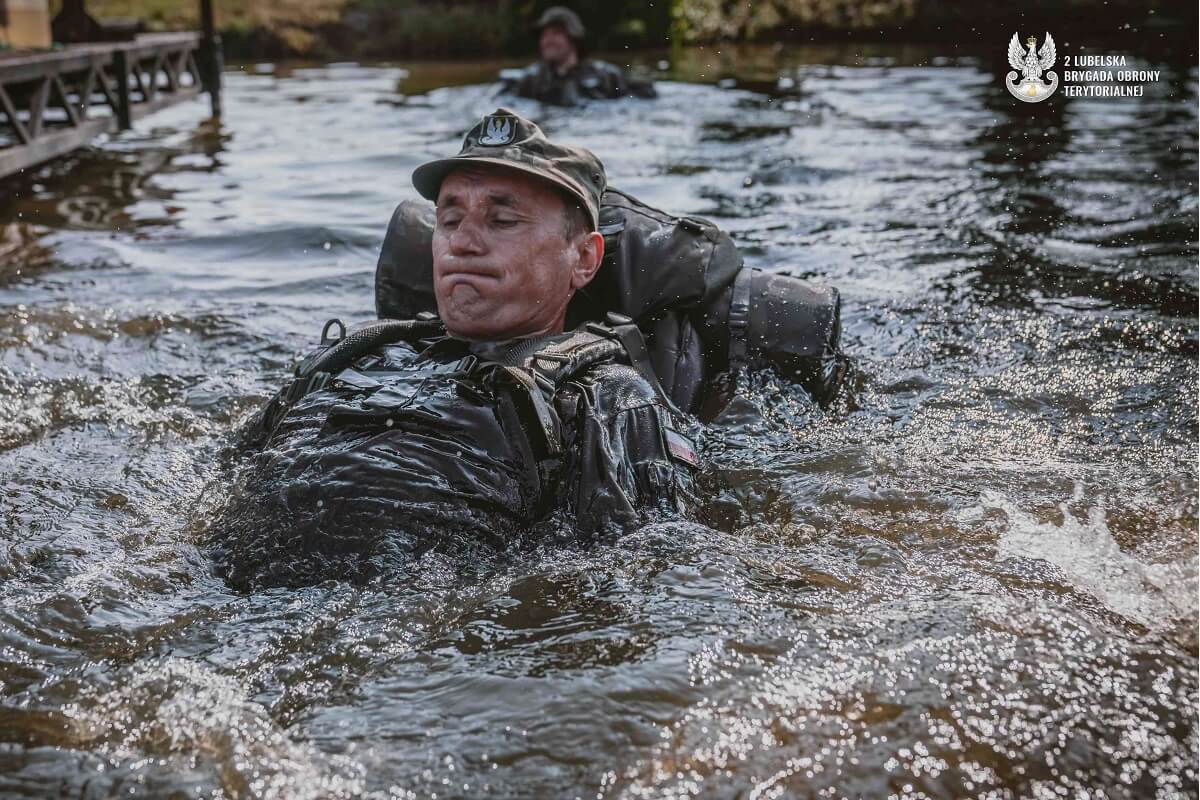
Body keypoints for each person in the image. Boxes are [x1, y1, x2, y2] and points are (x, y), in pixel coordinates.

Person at [213, 109, 698, 590]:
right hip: (214, 593)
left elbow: (641, 570)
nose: (462, 243)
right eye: (449, 219)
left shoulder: (604, 396)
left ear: (584, 258)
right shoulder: (359, 354)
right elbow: (216, 478)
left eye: (502, 220)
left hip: (395, 630)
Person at [499, 6, 657, 105]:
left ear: (573, 38)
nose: (547, 41)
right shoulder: (530, 79)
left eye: (556, 33)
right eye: (544, 35)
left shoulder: (606, 75)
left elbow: (641, 101)